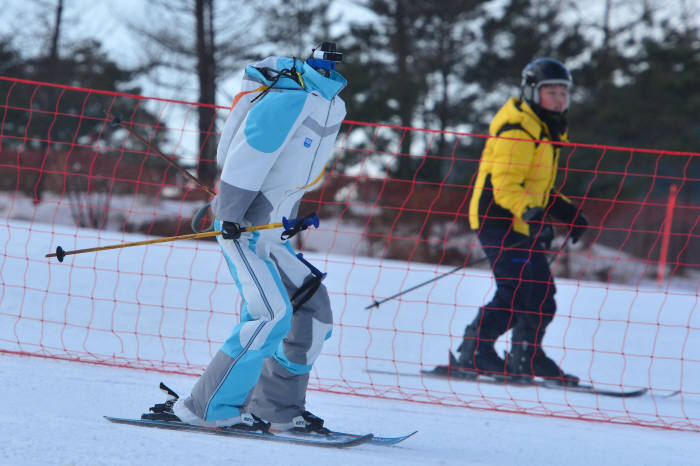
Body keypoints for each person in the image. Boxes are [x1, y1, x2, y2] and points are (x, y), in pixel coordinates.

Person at [142, 42, 347, 433]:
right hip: (244, 232)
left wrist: (286, 217)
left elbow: (288, 173)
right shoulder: (290, 99)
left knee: (312, 311)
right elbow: (248, 155)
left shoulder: (331, 104)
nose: (335, 67)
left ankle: (276, 409)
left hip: (271, 233)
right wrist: (230, 214)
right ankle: (205, 407)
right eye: (328, 62)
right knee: (271, 315)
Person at [456, 58, 588, 386]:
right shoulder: (518, 128)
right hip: (497, 217)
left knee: (542, 291)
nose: (559, 99)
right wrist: (533, 214)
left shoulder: (544, 128)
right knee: (514, 290)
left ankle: (526, 355)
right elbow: (506, 186)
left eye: (563, 92)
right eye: (551, 91)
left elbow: (536, 185)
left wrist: (567, 212)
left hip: (522, 219)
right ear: (531, 92)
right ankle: (475, 351)